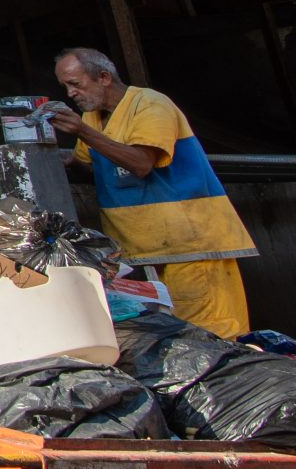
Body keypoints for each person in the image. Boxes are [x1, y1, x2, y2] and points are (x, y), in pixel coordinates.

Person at [45, 47, 255, 337]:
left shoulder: (150, 105)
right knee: (177, 341)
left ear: (104, 77)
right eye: (65, 87)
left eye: (75, 84)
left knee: (210, 336)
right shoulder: (94, 118)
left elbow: (141, 163)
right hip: (146, 249)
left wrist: (81, 131)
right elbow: (90, 167)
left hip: (190, 247)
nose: (70, 94)